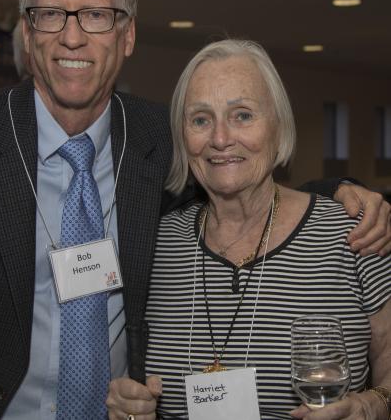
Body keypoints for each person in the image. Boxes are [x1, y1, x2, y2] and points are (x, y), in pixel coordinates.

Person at [0, 0, 389, 420]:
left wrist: (338, 192)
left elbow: (236, 171)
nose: (71, 35)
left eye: (96, 15)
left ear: (127, 34)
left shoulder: (160, 136)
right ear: (27, 30)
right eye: (50, 14)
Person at [106, 40, 391, 420]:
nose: (221, 139)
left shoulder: (354, 232)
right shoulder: (157, 243)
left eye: (242, 115)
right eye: (201, 119)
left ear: (278, 125)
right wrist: (128, 406)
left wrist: (373, 406)